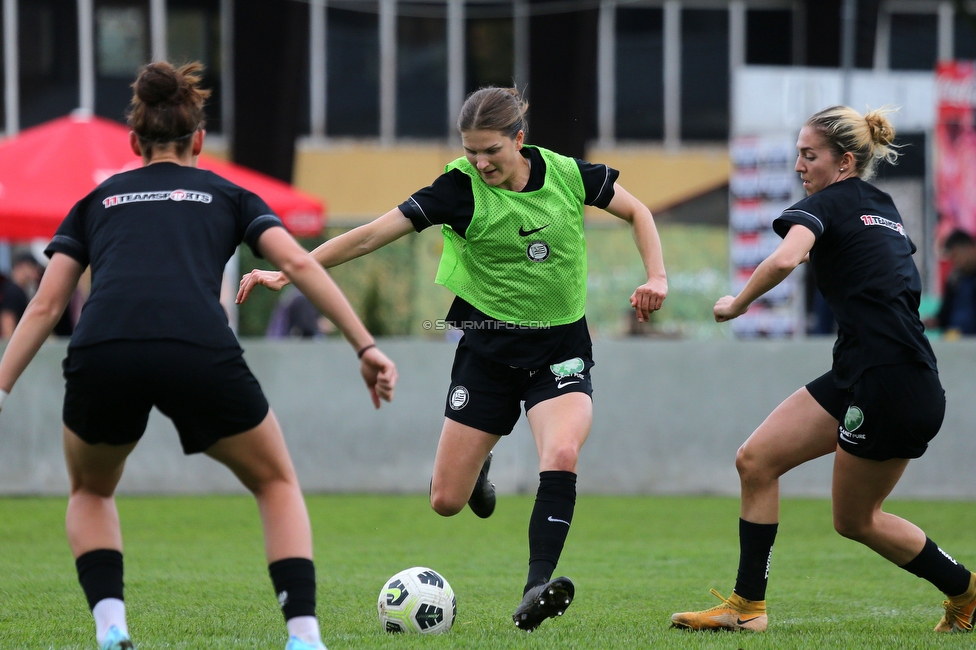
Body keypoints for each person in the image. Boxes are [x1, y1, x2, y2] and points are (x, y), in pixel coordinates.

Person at [238, 86, 668, 631]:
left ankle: (537, 585)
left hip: (559, 351)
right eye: (471, 151)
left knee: (560, 452)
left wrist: (656, 275)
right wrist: (291, 268)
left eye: (491, 150)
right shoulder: (457, 189)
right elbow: (372, 234)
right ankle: (481, 460)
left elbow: (638, 211)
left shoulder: (567, 175)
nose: (481, 162)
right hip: (486, 352)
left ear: (519, 139)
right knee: (445, 500)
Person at [0, 61, 397, 650]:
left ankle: (112, 628)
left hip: (104, 347)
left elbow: (44, 305)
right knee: (275, 482)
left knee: (90, 491)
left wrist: (1, 385)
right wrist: (364, 345)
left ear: (134, 142)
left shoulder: (96, 201)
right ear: (200, 140)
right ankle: (304, 636)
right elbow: (298, 263)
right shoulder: (230, 194)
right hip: (196, 345)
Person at [670, 105, 975, 633]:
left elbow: (787, 259)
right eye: (797, 155)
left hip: (889, 382)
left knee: (855, 521)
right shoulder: (882, 207)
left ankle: (967, 592)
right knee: (756, 461)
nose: (799, 167)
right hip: (868, 371)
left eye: (809, 156)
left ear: (845, 162)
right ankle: (747, 609)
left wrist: (737, 304)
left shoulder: (825, 205)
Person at [931, 229, 976, 338]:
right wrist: (935, 321)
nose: (954, 261)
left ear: (971, 249)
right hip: (954, 342)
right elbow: (945, 314)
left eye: (956, 255)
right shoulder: (954, 280)